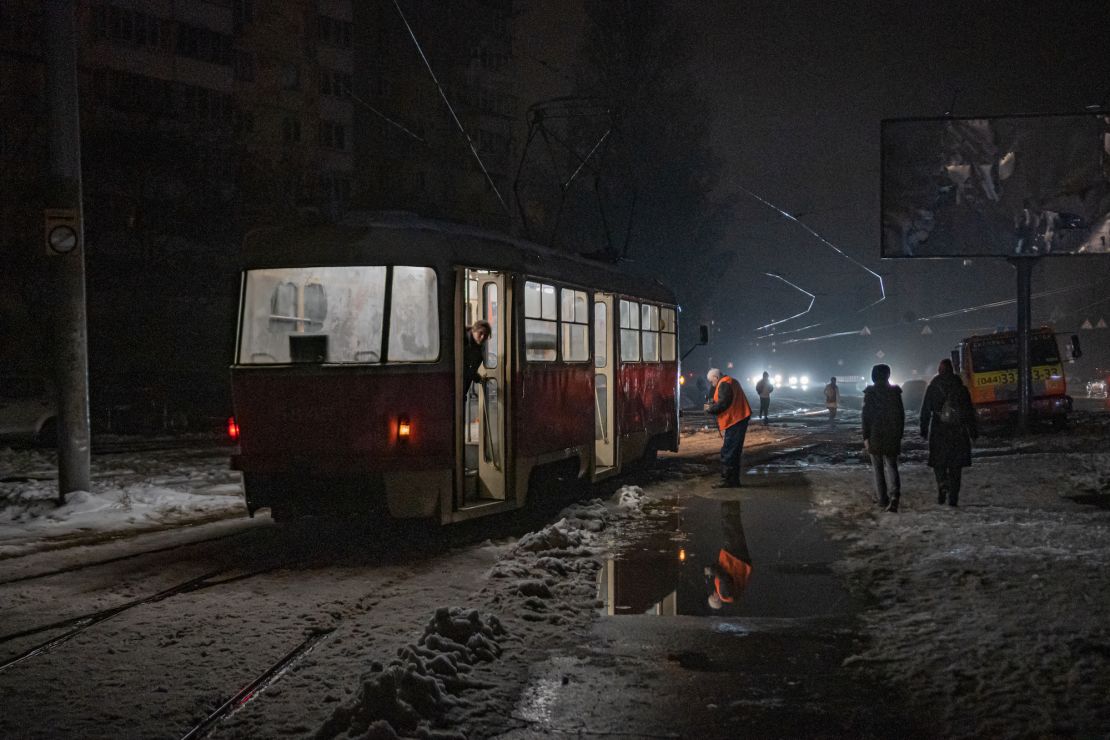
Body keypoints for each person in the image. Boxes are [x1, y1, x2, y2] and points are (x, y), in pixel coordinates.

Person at [920, 358, 977, 506]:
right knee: (955, 467)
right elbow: (969, 412)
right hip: (958, 431)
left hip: (939, 429)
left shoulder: (933, 388)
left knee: (939, 462)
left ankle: (942, 483)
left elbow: (926, 410)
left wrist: (924, 429)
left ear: (939, 371)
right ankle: (953, 499)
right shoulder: (961, 389)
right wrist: (973, 431)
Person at [861, 364, 905, 512]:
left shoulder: (870, 394)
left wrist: (865, 436)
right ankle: (895, 496)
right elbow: (900, 416)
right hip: (892, 434)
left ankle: (882, 499)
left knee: (878, 468)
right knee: (892, 466)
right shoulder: (894, 393)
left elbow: (866, 417)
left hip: (875, 435)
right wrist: (899, 434)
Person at [704, 368, 753, 488]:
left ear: (716, 377)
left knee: (728, 451)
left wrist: (710, 409)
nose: (712, 384)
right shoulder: (730, 381)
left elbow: (723, 403)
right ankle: (734, 480)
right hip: (739, 418)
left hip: (735, 420)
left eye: (711, 381)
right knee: (734, 451)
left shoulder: (724, 384)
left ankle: (727, 480)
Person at [704, 500, 753, 610]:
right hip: (735, 558)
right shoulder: (725, 594)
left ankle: (732, 504)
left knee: (734, 529)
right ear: (716, 599)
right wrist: (712, 570)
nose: (712, 593)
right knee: (730, 528)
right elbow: (725, 578)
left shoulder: (729, 595)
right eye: (712, 596)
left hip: (739, 560)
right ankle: (729, 504)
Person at [463, 319, 491, 391]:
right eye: (480, 333)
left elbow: (471, 371)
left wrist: (479, 379)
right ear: (473, 330)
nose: (482, 337)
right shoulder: (462, 340)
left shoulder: (479, 347)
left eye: (485, 335)